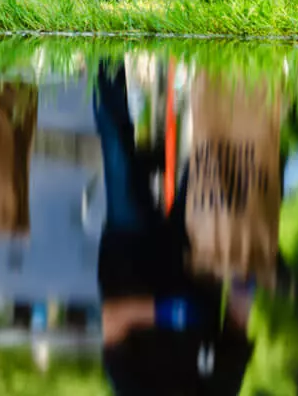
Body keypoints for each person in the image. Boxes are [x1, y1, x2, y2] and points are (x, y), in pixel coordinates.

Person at [93, 61, 255, 396]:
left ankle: (104, 33)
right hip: (192, 260)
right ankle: (226, 38)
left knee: (116, 145)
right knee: (215, 152)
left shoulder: (131, 389)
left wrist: (166, 313)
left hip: (130, 253)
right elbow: (237, 324)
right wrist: (246, 281)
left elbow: (112, 319)